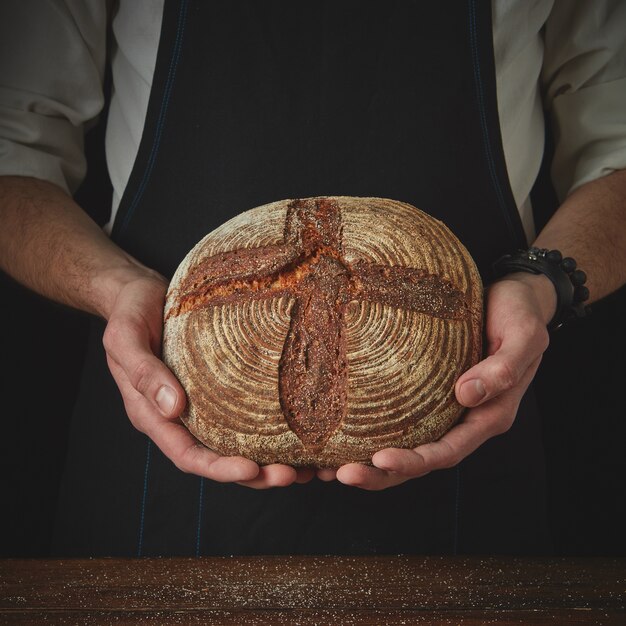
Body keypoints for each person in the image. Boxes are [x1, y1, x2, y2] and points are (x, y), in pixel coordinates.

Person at [1, 0, 625, 556]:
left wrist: (539, 289)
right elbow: (13, 155)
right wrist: (116, 289)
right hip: (158, 434)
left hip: (475, 414)